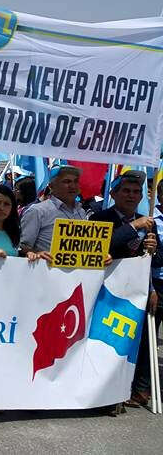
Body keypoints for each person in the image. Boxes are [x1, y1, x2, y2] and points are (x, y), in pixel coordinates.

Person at [89, 170, 163, 408]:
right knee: (110, 339)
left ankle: (139, 389)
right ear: (114, 194)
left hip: (137, 292)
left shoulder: (148, 221)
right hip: (107, 292)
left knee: (140, 341)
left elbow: (156, 260)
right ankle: (106, 390)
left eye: (136, 192)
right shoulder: (100, 218)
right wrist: (133, 227)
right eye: (126, 191)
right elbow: (102, 246)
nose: (131, 195)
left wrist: (153, 249)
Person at [19, 165, 88, 255]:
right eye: (67, 181)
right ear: (52, 186)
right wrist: (38, 254)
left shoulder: (81, 212)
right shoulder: (37, 211)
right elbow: (22, 247)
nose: (73, 186)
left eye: (76, 181)